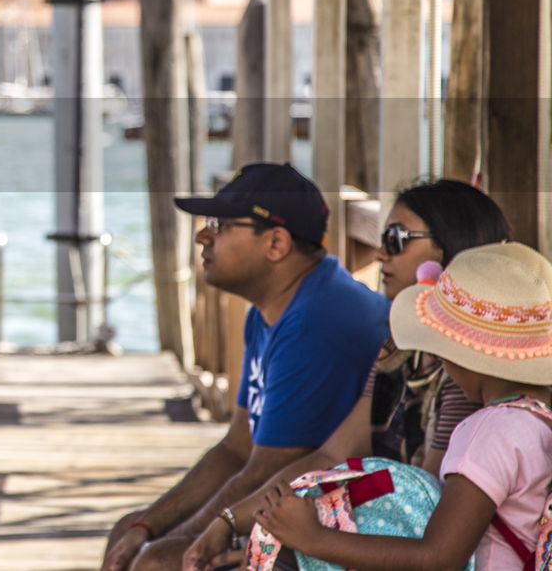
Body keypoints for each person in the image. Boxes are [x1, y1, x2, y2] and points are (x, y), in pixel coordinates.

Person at [183, 179, 512, 571]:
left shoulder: (464, 378)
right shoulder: (397, 351)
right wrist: (233, 519)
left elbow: (422, 505)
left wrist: (297, 542)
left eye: (396, 238)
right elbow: (332, 454)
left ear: (450, 251)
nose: (379, 253)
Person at [101, 163, 390, 571]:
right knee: (128, 533)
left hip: (351, 522)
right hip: (290, 501)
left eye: (219, 225)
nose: (203, 236)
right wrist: (148, 525)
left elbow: (266, 467)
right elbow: (237, 447)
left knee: (160, 562)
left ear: (275, 244)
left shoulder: (316, 319)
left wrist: (181, 538)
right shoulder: (270, 311)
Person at [254, 241, 552, 571]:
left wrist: (311, 538)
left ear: (452, 354)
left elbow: (438, 557)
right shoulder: (540, 421)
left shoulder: (488, 431)